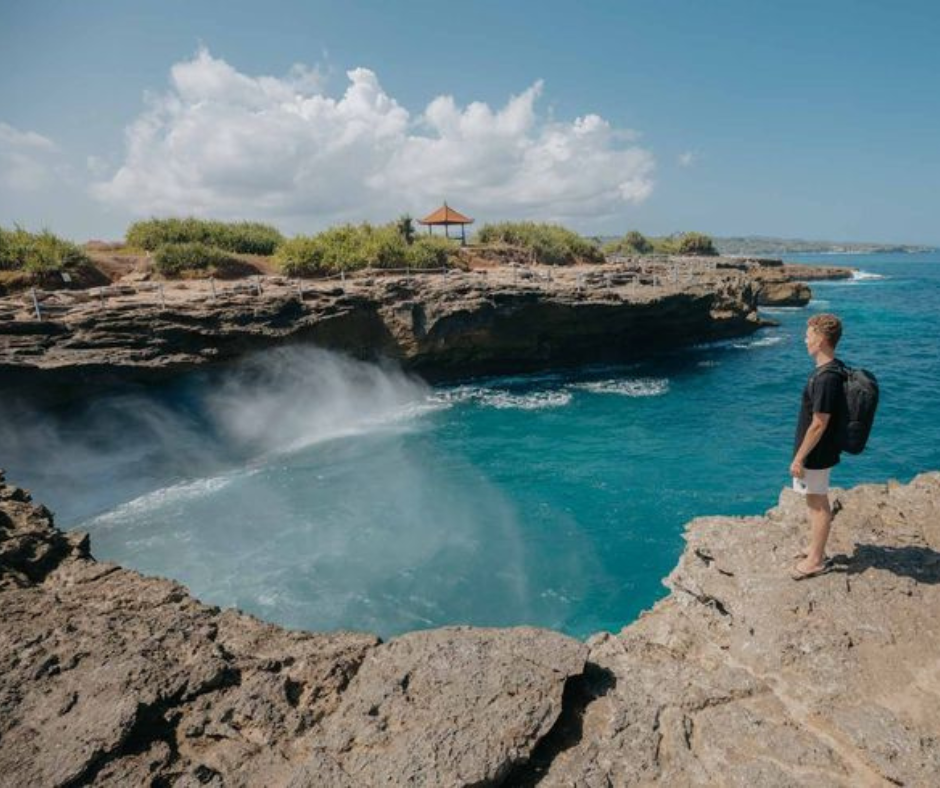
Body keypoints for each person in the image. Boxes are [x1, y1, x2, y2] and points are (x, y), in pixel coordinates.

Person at [790, 313, 846, 580]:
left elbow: (819, 423)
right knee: (813, 499)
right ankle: (815, 548)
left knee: (819, 503)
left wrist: (799, 458)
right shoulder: (831, 370)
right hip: (818, 450)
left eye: (809, 334)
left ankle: (816, 560)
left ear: (822, 340)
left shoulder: (826, 378)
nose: (805, 339)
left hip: (817, 452)